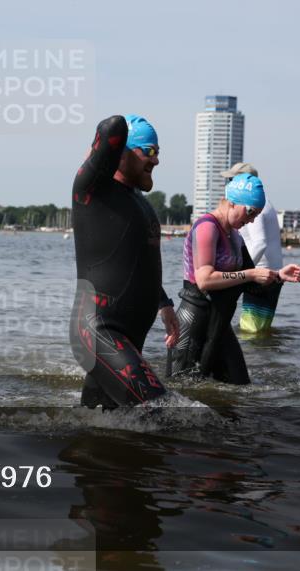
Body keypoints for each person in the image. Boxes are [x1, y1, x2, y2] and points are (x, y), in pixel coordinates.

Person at [69, 114, 179, 410]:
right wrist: (113, 145)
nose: (156, 160)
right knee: (162, 413)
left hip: (128, 337)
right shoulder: (93, 191)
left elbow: (136, 264)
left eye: (159, 152)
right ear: (122, 152)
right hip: (99, 331)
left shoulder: (139, 203)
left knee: (102, 426)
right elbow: (111, 127)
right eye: (150, 151)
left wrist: (164, 303)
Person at [169, 174, 300, 384]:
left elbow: (251, 284)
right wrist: (250, 274)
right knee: (182, 392)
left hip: (220, 324)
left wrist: (279, 276)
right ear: (231, 202)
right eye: (250, 212)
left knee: (240, 387)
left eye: (256, 215)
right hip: (196, 320)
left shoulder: (235, 236)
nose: (251, 220)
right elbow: (204, 280)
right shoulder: (206, 227)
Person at [215, 163, 284, 334]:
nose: (228, 184)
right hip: (268, 272)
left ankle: (253, 360)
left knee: (250, 331)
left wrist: (242, 273)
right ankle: (262, 359)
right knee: (259, 330)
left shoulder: (253, 206)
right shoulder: (263, 203)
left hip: (262, 273)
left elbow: (260, 242)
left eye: (231, 180)